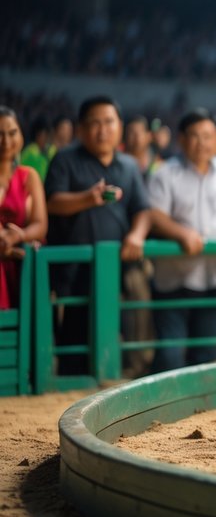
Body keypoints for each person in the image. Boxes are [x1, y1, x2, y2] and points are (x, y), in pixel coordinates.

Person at [44, 96, 152, 377]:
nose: (102, 130)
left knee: (124, 343)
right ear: (80, 129)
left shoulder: (129, 166)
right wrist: (88, 198)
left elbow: (143, 210)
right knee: (74, 346)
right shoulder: (65, 159)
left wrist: (137, 235)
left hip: (118, 270)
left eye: (109, 122)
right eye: (94, 123)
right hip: (73, 273)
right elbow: (52, 203)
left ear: (120, 126)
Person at [146, 109, 216, 372]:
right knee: (171, 354)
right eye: (195, 136)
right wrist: (181, 233)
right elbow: (154, 215)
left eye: (208, 136)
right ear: (182, 139)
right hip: (173, 280)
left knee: (205, 354)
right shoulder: (165, 173)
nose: (202, 143)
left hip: (215, 279)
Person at [0, 107, 48, 309]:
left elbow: (40, 225)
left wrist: (17, 236)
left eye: (12, 132)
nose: (6, 141)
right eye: (0, 134)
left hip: (21, 265)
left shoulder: (29, 176)